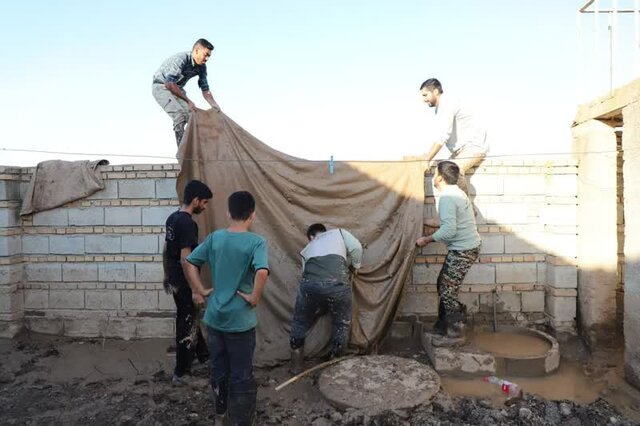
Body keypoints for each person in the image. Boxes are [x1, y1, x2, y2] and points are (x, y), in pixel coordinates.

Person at [183, 191, 269, 426]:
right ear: (252, 215)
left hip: (215, 318)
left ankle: (221, 416)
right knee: (241, 374)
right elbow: (262, 271)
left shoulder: (215, 238)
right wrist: (254, 297)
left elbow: (190, 262)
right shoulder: (257, 242)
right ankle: (242, 420)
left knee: (219, 369)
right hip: (240, 321)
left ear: (228, 213)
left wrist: (200, 289)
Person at [416, 161, 481, 338]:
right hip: (466, 248)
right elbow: (444, 221)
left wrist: (426, 240)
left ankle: (455, 327)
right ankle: (443, 325)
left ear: (440, 177)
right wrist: (420, 220)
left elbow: (448, 230)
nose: (433, 178)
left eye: (434, 174)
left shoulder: (447, 197)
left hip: (463, 250)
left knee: (447, 289)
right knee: (443, 284)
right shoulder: (456, 192)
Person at [289, 223, 363, 374]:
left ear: (311, 237)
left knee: (300, 322)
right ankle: (334, 367)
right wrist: (355, 267)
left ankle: (296, 366)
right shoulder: (340, 233)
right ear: (324, 232)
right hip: (338, 285)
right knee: (341, 324)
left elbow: (309, 277)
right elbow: (357, 248)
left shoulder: (306, 250)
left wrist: (319, 306)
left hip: (310, 287)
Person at [162, 180, 213, 385]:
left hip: (175, 279)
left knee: (190, 318)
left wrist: (166, 274)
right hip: (184, 283)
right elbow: (186, 259)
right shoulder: (187, 223)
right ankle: (181, 373)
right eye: (205, 202)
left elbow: (167, 249)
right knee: (187, 324)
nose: (205, 206)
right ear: (196, 200)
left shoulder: (172, 218)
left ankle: (203, 356)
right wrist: (196, 289)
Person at [420, 78, 488, 195]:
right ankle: (452, 207)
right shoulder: (441, 107)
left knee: (453, 171)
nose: (424, 100)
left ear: (435, 91)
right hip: (461, 151)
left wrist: (427, 158)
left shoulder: (446, 104)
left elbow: (443, 136)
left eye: (425, 95)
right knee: (439, 176)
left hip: (473, 147)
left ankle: (466, 209)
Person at [152, 38, 220, 146]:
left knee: (193, 116)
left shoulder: (202, 67)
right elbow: (169, 84)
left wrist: (215, 107)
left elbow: (206, 90)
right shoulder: (181, 59)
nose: (207, 58)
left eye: (209, 56)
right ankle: (183, 153)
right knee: (179, 116)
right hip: (161, 86)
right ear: (196, 51)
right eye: (205, 54)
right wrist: (188, 101)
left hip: (177, 88)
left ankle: (197, 150)